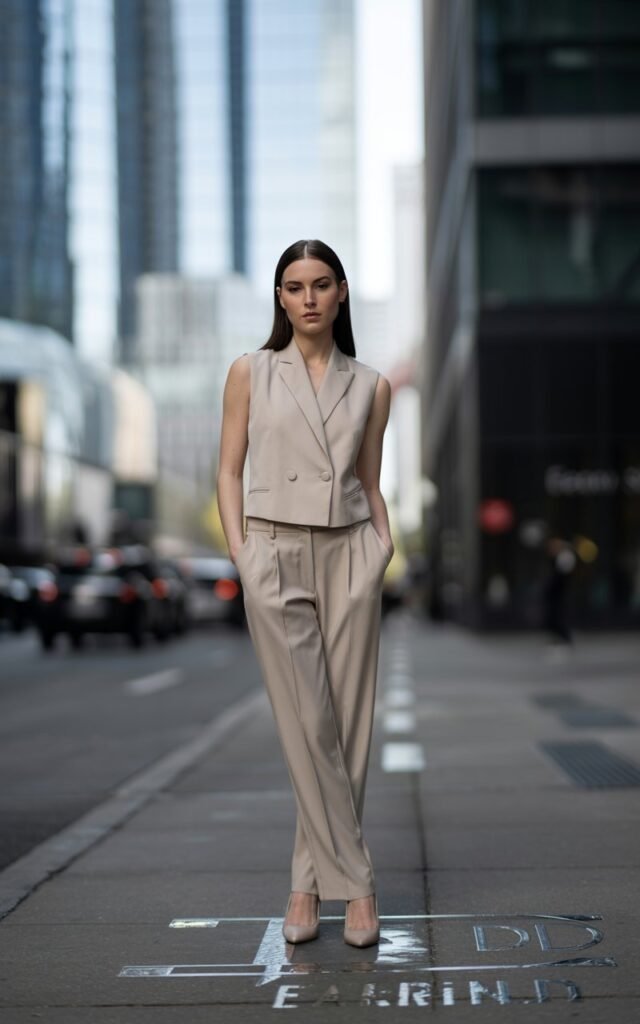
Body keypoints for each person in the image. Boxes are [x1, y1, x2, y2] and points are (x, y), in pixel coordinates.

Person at [216, 239, 393, 948]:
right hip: (274, 552)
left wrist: (382, 546)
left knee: (346, 727)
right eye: (295, 286)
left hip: (351, 551)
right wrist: (243, 552)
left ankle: (304, 887)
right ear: (280, 298)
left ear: (342, 293)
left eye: (322, 284)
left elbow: (372, 482)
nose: (309, 298)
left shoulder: (373, 385)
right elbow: (228, 471)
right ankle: (358, 887)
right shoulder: (250, 373)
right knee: (305, 724)